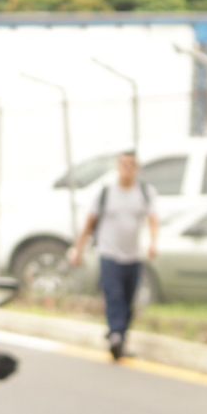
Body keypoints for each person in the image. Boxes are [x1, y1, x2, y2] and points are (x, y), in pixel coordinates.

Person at [67, 149, 159, 360]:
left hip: (134, 255)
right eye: (123, 164)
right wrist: (78, 250)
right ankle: (116, 334)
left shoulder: (144, 192)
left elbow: (153, 219)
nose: (127, 169)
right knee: (114, 295)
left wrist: (154, 244)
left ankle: (120, 336)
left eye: (131, 165)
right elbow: (90, 224)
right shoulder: (106, 192)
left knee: (128, 299)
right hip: (109, 254)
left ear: (137, 169)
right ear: (118, 167)